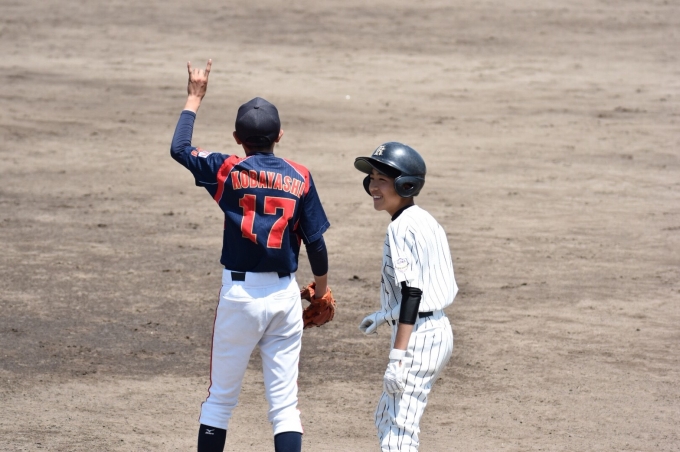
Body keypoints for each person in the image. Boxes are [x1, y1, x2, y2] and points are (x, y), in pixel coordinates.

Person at [170, 60, 331, 452]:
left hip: (239, 297)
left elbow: (180, 149)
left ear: (237, 139)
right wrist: (321, 290)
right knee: (285, 406)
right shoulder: (300, 175)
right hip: (284, 297)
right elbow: (316, 243)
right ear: (280, 135)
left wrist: (194, 97)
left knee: (220, 401)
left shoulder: (226, 169)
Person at [354, 142, 457, 452]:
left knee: (399, 430)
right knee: (387, 417)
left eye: (382, 180)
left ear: (406, 185)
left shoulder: (400, 228)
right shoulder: (424, 220)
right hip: (434, 329)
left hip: (417, 337)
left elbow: (413, 292)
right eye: (372, 178)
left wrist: (397, 357)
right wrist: (385, 314)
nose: (374, 187)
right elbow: (423, 285)